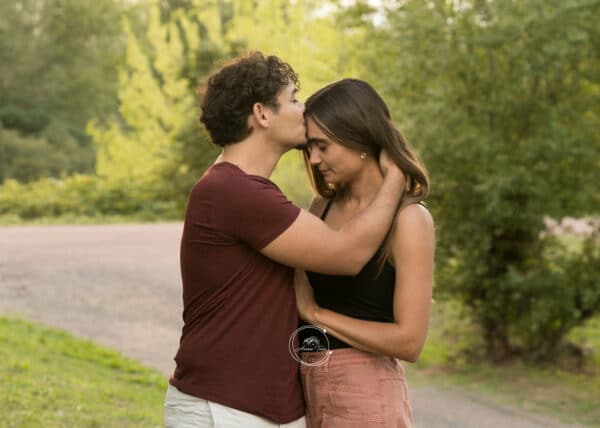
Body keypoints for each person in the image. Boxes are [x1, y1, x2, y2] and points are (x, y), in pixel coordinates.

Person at [164, 53, 406, 428]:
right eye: (294, 98)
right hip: (224, 406)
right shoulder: (233, 190)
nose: (304, 108)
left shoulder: (243, 189)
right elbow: (347, 254)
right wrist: (394, 178)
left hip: (257, 407)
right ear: (262, 114)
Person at [295, 78, 435, 428]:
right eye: (309, 148)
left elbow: (410, 341)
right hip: (308, 385)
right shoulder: (322, 206)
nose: (313, 159)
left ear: (359, 139)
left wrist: (317, 314)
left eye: (322, 146)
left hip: (367, 396)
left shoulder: (410, 220)